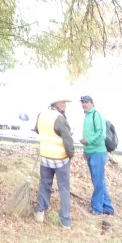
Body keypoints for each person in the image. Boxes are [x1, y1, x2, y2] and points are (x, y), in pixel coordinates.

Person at [33, 95, 75, 229]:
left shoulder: (41, 114)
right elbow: (68, 141)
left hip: (45, 157)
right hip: (60, 159)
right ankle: (65, 221)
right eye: (63, 103)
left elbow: (37, 130)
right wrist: (71, 155)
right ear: (57, 104)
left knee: (44, 184)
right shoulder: (59, 119)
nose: (65, 106)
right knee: (64, 189)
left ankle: (40, 212)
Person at [80, 95, 115, 216]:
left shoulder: (96, 115)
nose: (84, 104)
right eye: (83, 102)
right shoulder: (87, 116)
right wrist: (85, 150)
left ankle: (97, 208)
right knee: (98, 180)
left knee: (98, 180)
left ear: (92, 103)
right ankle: (108, 207)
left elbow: (101, 133)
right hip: (90, 152)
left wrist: (89, 141)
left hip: (98, 152)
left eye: (86, 102)